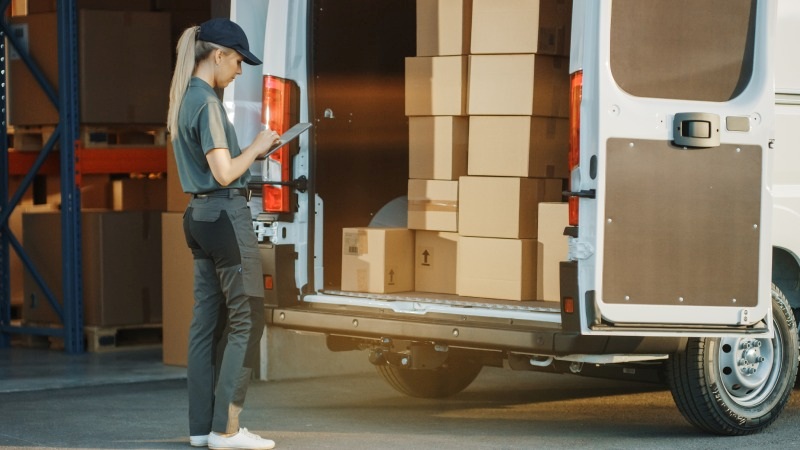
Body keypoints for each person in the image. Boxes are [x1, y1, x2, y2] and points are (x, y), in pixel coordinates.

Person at [167, 18, 280, 450]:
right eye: (237, 61)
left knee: (205, 325)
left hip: (198, 218)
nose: (240, 70)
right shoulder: (208, 103)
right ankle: (226, 431)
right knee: (247, 320)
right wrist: (256, 148)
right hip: (224, 217)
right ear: (217, 55)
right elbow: (224, 171)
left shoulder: (184, 98)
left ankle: (201, 429)